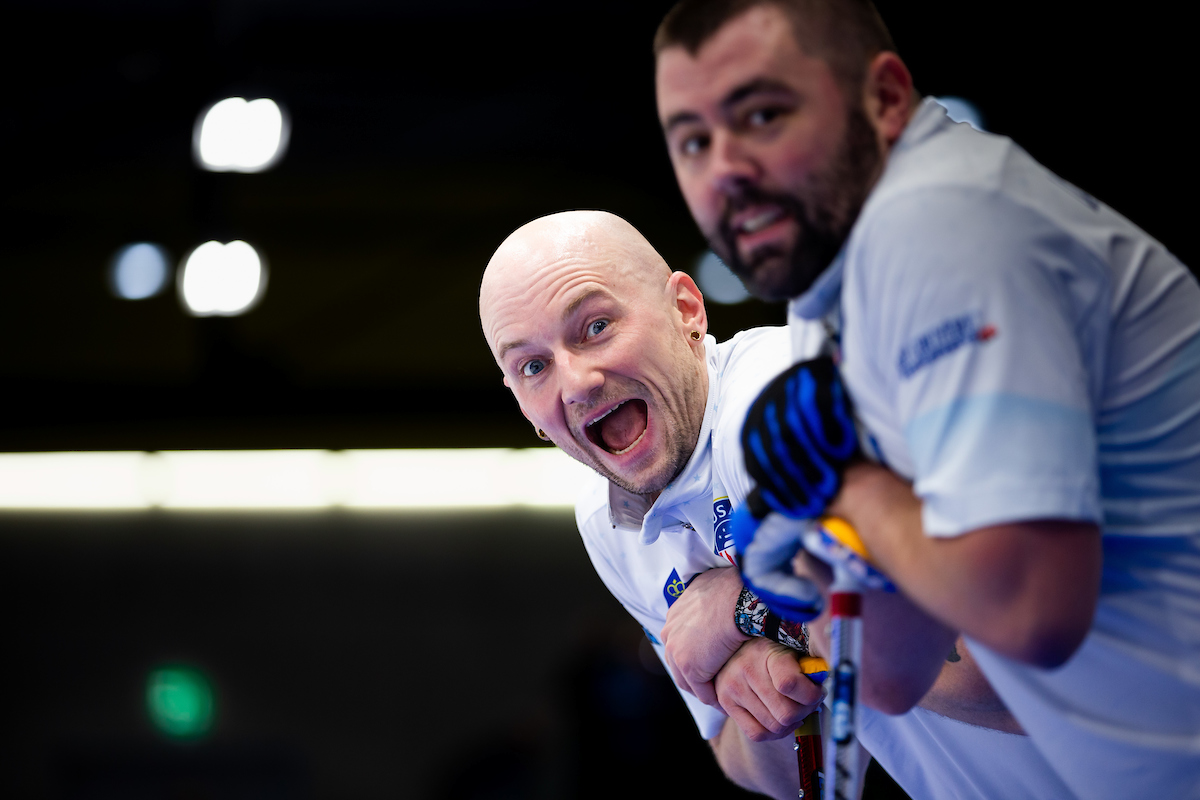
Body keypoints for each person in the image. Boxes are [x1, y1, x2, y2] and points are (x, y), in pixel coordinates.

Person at [652, 1, 1200, 797]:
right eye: (694, 140)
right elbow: (889, 673)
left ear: (884, 100)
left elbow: (1030, 613)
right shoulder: (828, 297)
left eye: (764, 115)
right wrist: (807, 567)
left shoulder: (947, 231)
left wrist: (843, 492)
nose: (726, 167)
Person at [478, 209, 1077, 799]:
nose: (576, 382)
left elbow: (1028, 674)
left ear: (685, 310)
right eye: (532, 365)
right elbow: (766, 771)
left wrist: (744, 611)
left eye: (596, 327)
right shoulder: (609, 521)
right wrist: (753, 676)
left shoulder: (784, 407)